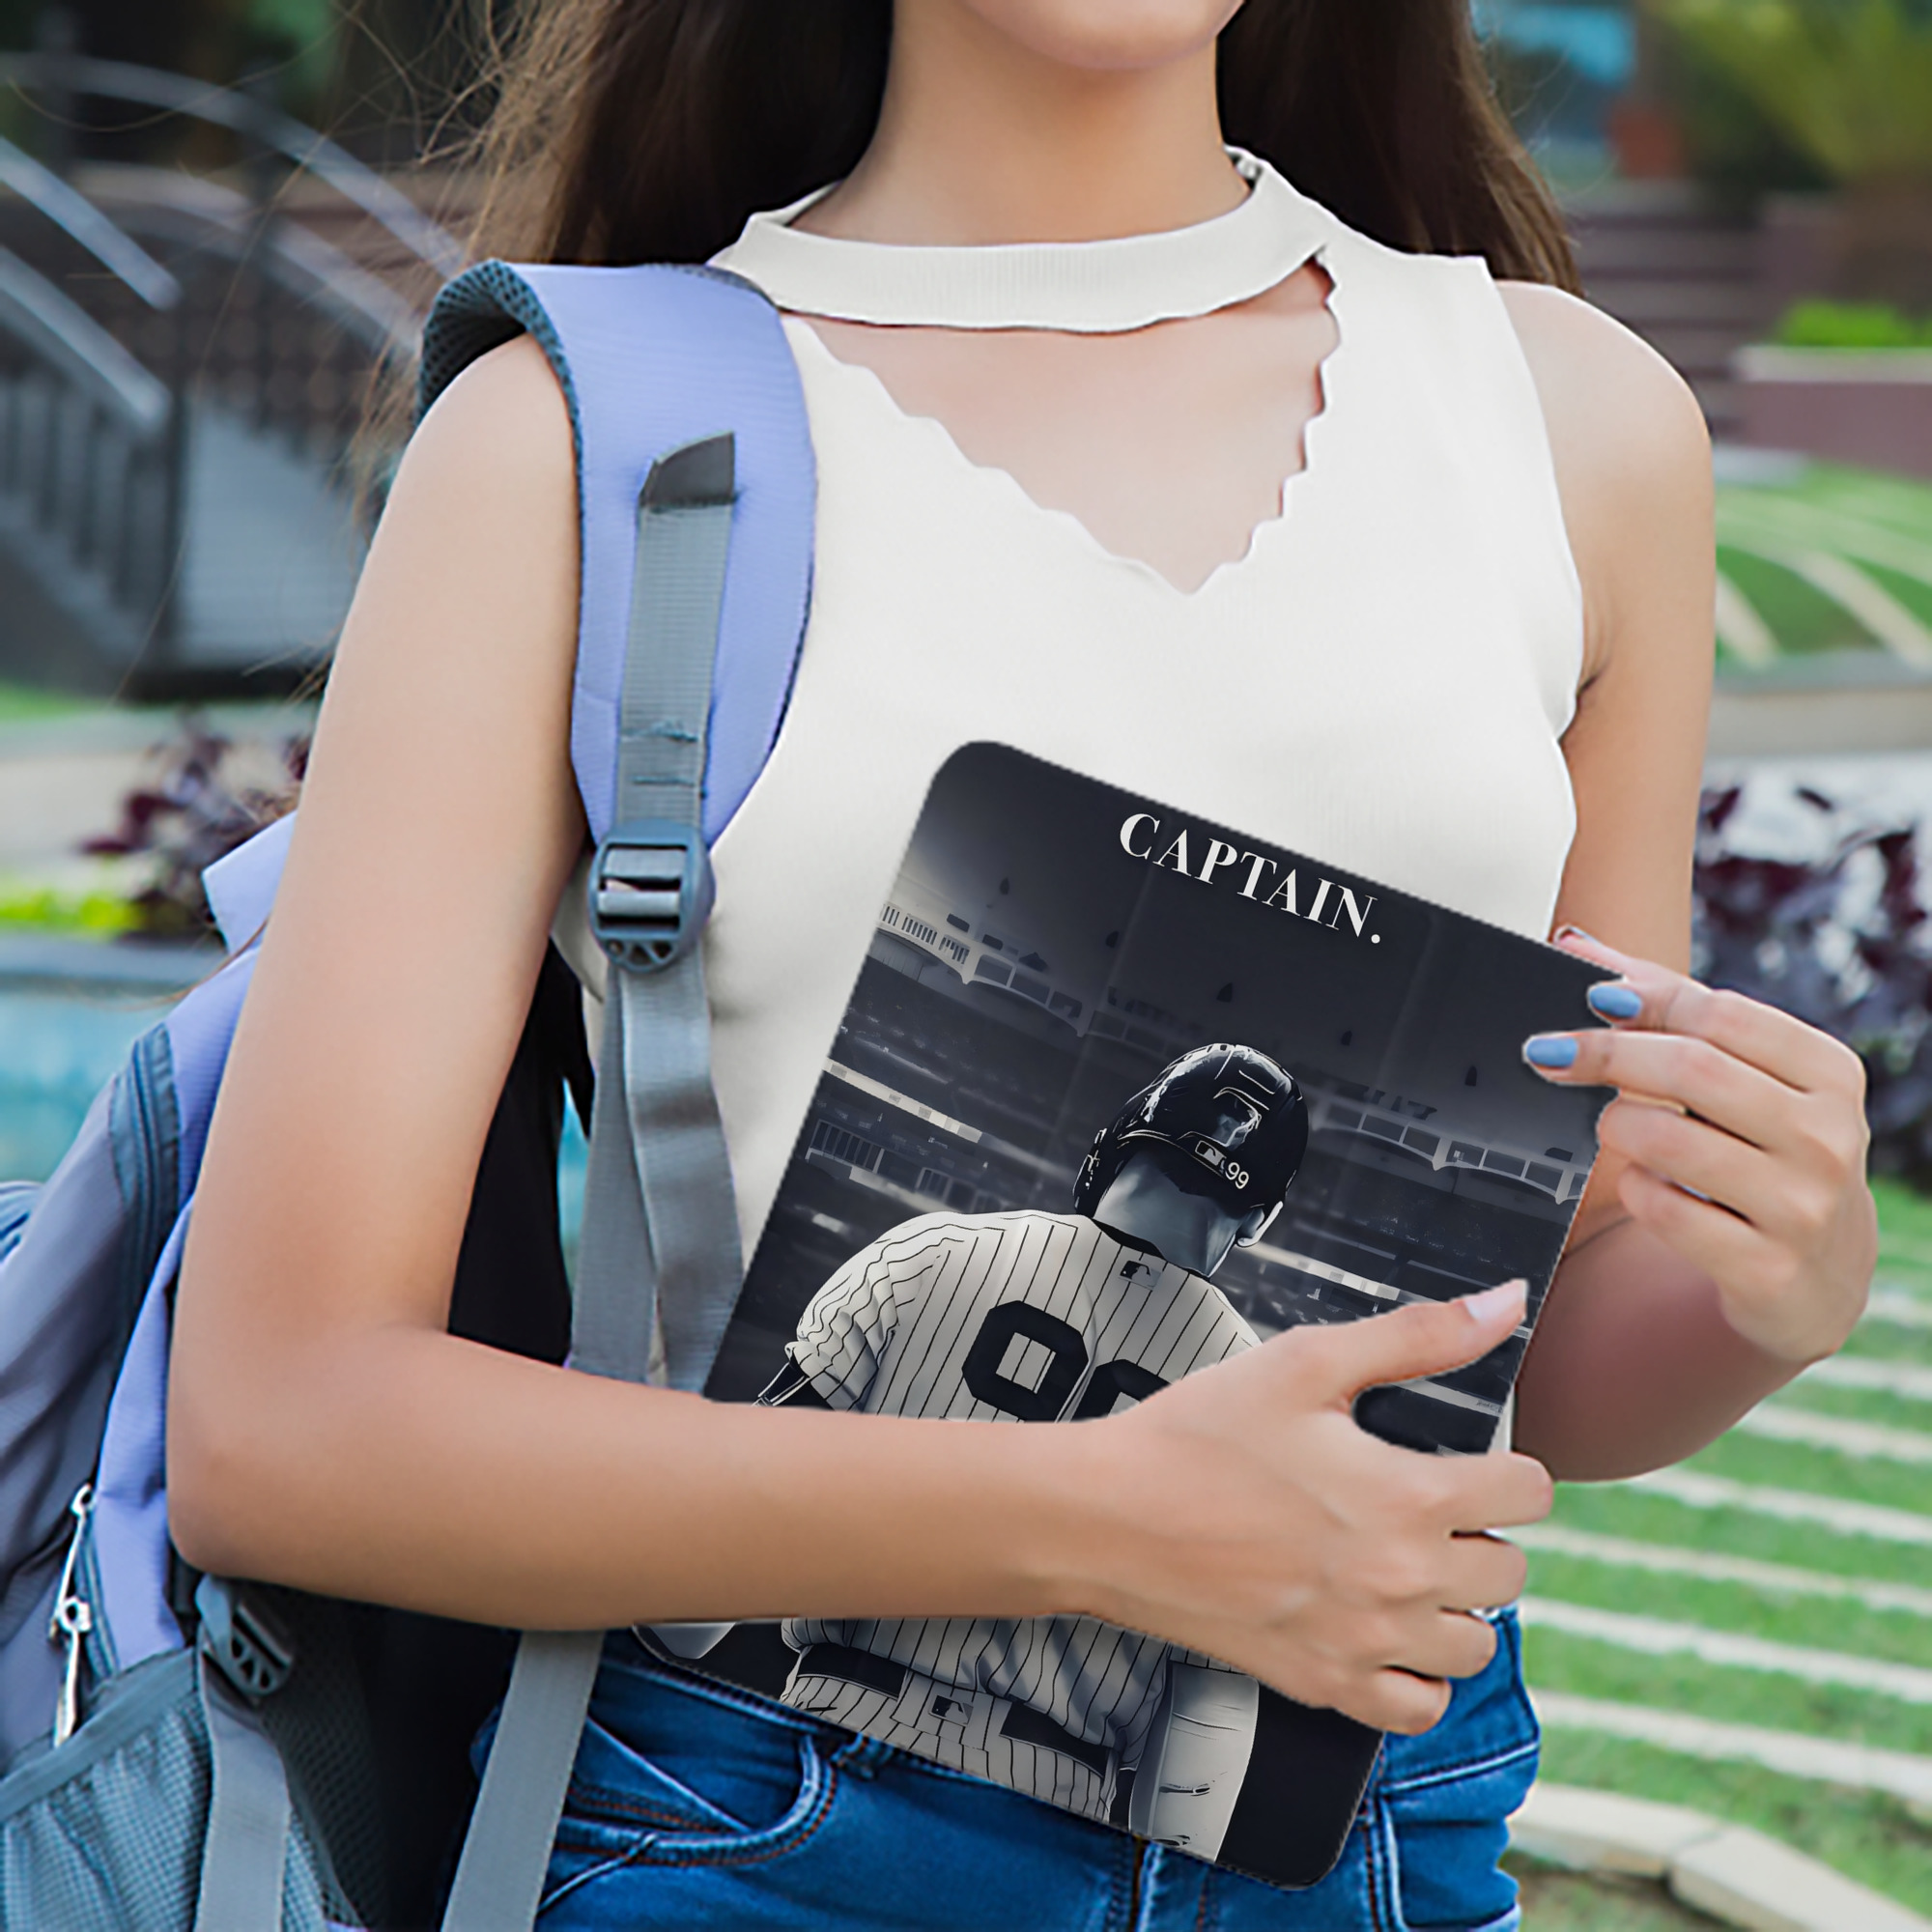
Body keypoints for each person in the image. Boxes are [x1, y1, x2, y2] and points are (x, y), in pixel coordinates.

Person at [167, 2, 1879, 1927]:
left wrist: (1763, 1297)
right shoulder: (588, 445)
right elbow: (282, 1424)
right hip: (768, 1822)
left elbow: (1524, 1377)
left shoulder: (1569, 425)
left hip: (1350, 1820)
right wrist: (1102, 1521)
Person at [741, 1045, 1303, 1857]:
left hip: (829, 1725)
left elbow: (735, 1519)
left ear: (1121, 1140)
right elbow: (1207, 1707)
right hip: (1050, 1800)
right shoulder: (1268, 1410)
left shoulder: (928, 1254)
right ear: (1258, 1218)